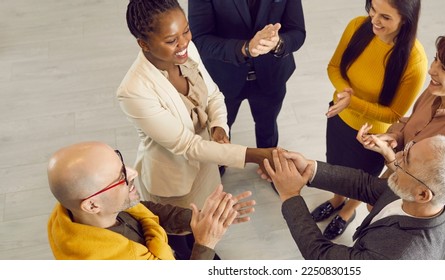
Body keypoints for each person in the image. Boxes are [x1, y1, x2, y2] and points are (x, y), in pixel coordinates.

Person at [118, 0, 273, 254]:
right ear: (143, 44)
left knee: (204, 223)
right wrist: (255, 155)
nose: (183, 44)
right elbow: (186, 145)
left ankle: (204, 248)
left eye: (186, 31)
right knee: (179, 236)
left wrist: (219, 127)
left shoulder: (188, 51)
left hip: (207, 163)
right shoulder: (133, 91)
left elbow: (213, 95)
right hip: (174, 181)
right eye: (171, 40)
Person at [313, 0, 427, 240]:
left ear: (405, 19)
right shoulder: (357, 26)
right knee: (335, 165)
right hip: (339, 116)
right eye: (372, 10)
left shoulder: (414, 61)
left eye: (385, 17)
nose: (374, 20)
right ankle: (336, 199)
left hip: (373, 136)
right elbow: (334, 67)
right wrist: (346, 93)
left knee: (361, 179)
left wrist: (352, 102)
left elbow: (394, 114)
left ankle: (347, 211)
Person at [261, 135, 445, 259]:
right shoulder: (439, 192)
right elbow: (369, 186)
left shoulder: (395, 257)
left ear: (422, 194)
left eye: (406, 160)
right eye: (408, 149)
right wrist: (310, 169)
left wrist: (290, 195)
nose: (395, 157)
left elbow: (320, 256)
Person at [46, 141, 255, 260]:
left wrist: (200, 218)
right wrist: (205, 244)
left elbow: (141, 211)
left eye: (122, 162)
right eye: (121, 177)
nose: (133, 172)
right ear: (92, 205)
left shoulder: (72, 212)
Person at [357, 31, 445, 179]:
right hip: (396, 172)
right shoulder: (435, 93)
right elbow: (412, 132)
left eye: (444, 69)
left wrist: (388, 154)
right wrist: (394, 138)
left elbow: (423, 187)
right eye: (435, 59)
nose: (431, 70)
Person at [187, 0, 306, 150]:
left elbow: (297, 31)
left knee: (268, 126)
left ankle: (267, 161)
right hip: (222, 78)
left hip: (271, 75)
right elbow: (200, 39)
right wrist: (245, 48)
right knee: (220, 129)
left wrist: (278, 43)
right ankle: (220, 163)